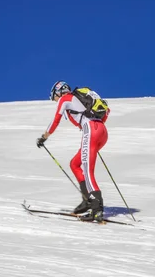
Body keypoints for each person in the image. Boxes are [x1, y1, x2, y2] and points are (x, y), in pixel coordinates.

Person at [36, 81, 110, 222]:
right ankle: (87, 200)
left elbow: (56, 120)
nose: (56, 100)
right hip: (101, 131)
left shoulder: (66, 98)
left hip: (91, 130)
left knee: (88, 172)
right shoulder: (83, 97)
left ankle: (97, 210)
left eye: (54, 97)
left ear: (58, 92)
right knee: (75, 164)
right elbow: (106, 112)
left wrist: (44, 137)